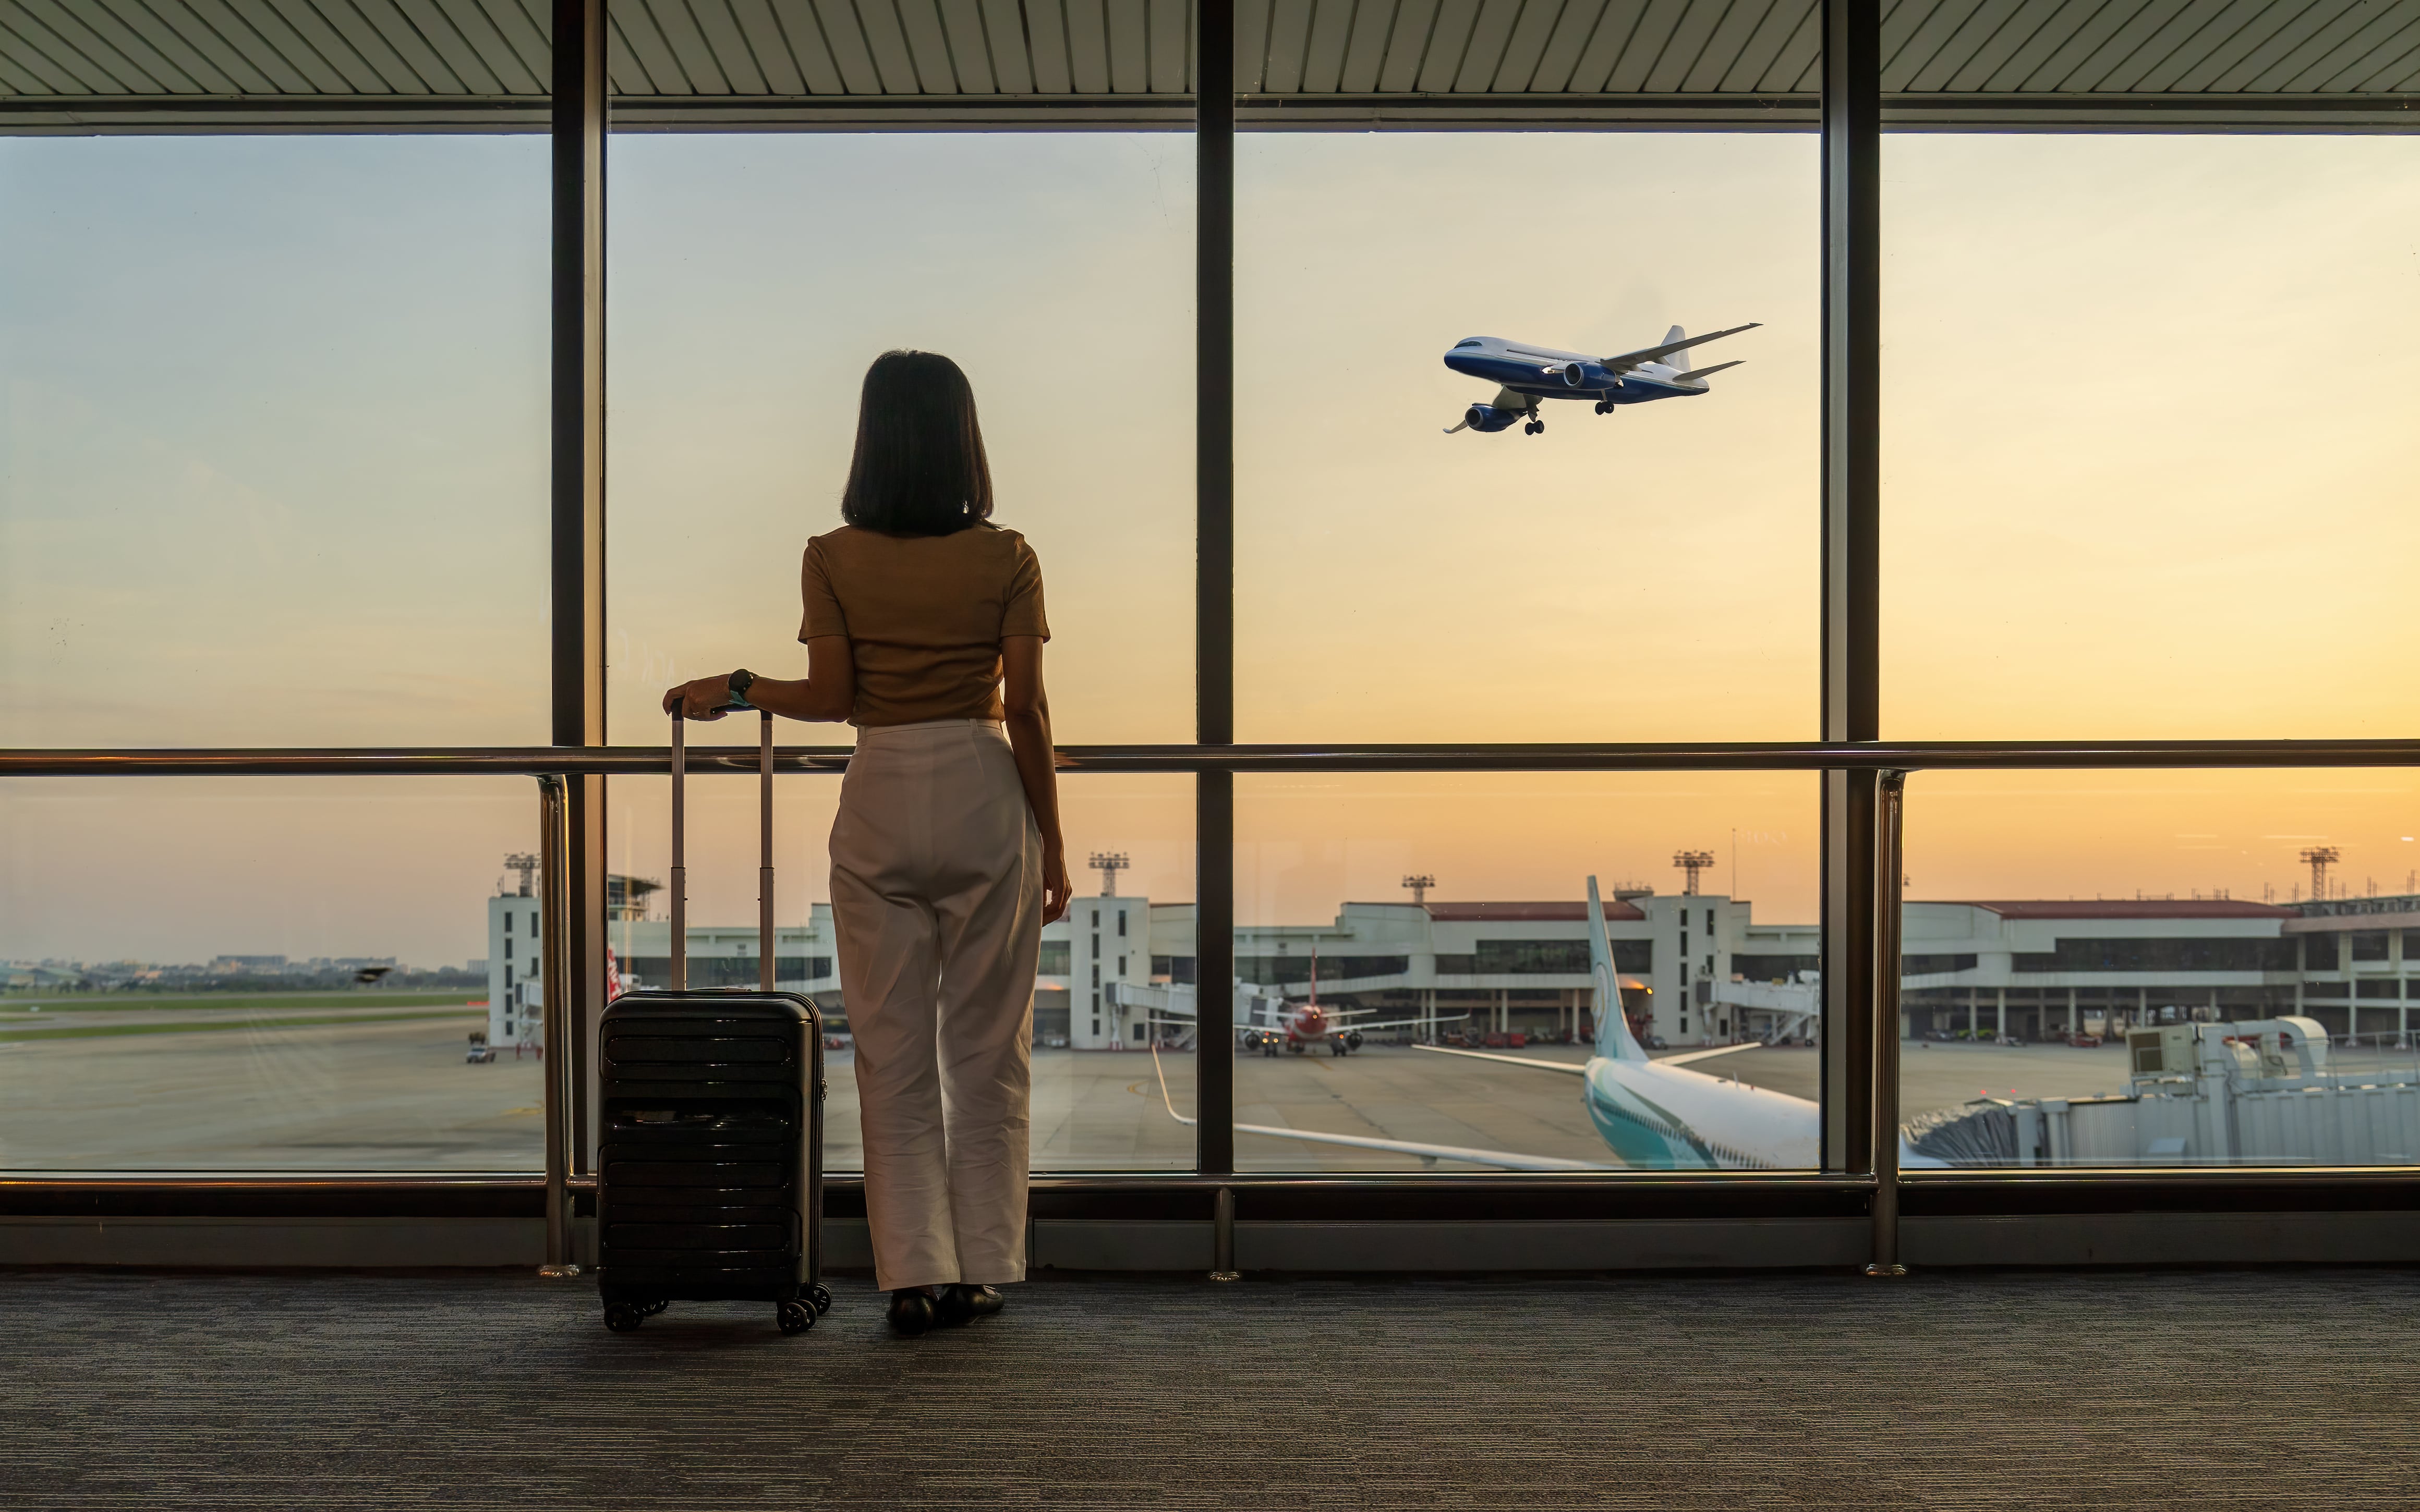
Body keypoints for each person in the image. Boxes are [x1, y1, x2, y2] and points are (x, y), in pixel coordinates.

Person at [663, 350, 1072, 1337]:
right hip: (983, 789)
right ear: (966, 438)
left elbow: (834, 701)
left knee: (890, 1053)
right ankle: (984, 1268)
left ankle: (913, 1277)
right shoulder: (1009, 555)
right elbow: (1028, 709)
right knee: (987, 1051)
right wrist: (1053, 842)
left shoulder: (832, 555)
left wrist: (740, 686)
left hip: (883, 785)